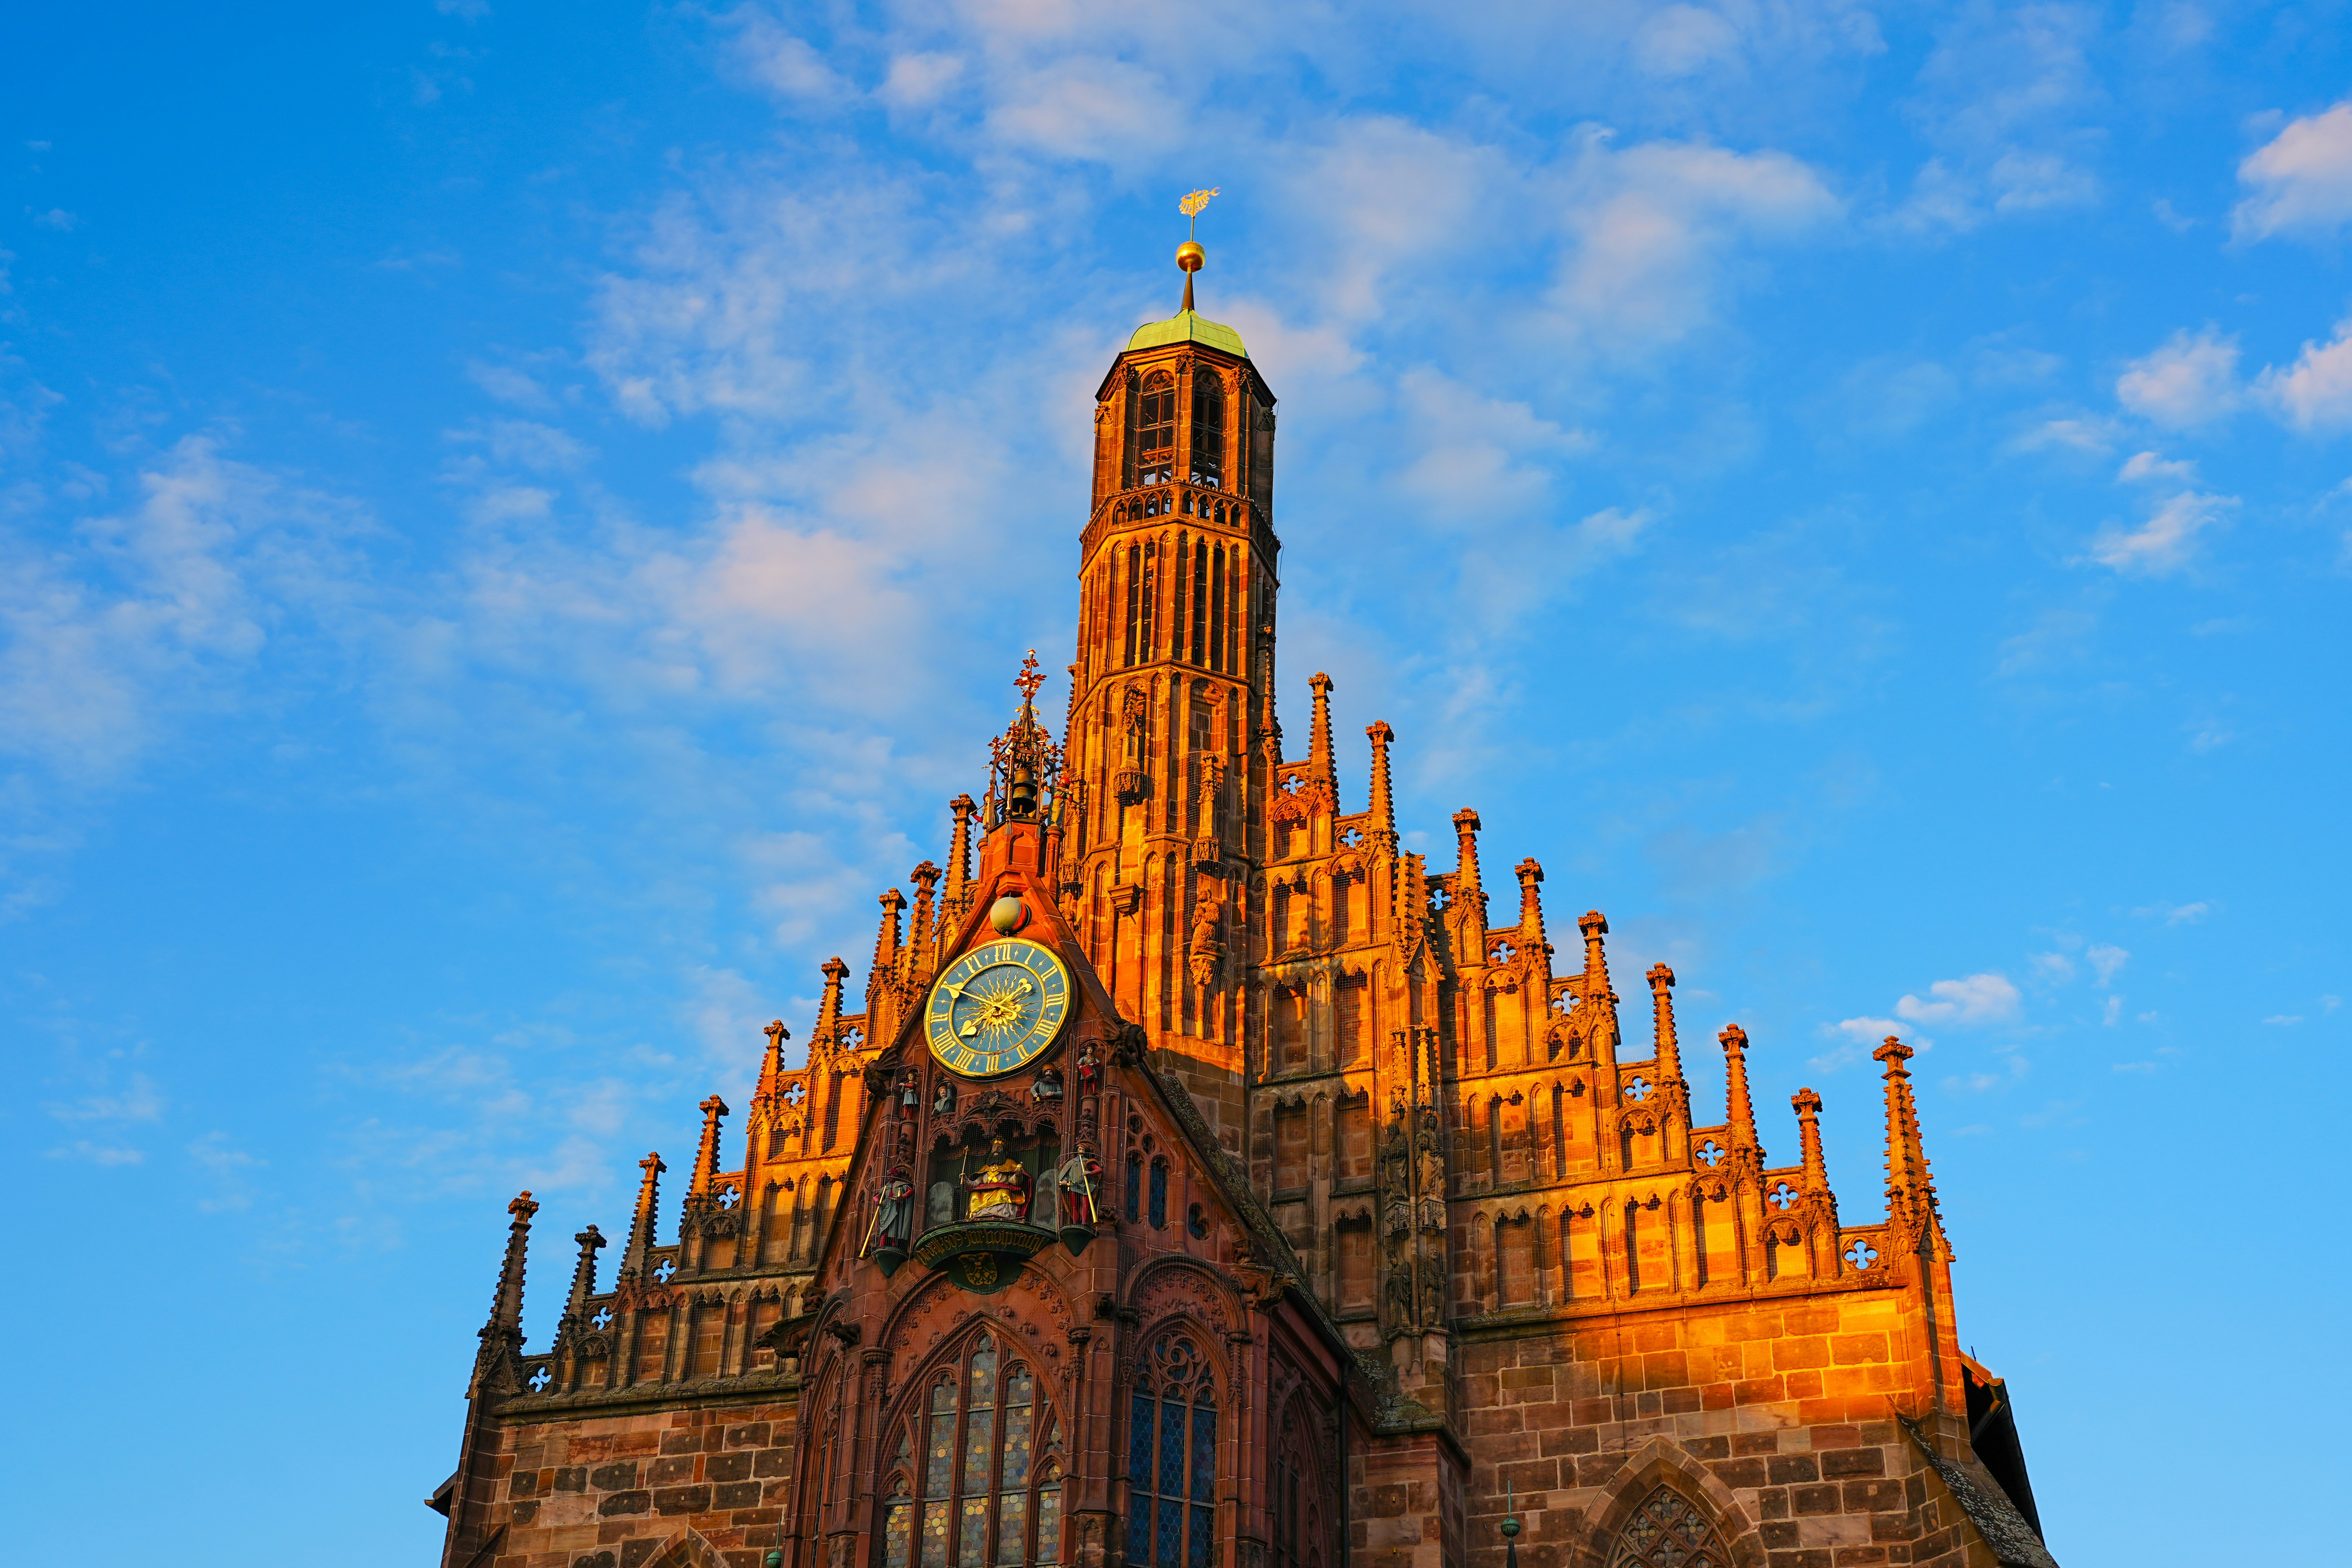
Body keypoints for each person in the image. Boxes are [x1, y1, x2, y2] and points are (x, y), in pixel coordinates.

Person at [962, 1139, 1031, 1223]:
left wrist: (1018, 1175)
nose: (996, 1149)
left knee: (1003, 1193)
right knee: (975, 1195)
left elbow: (1014, 1181)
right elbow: (975, 1183)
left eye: (1000, 1148)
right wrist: (966, 1180)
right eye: (994, 1147)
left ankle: (1001, 1215)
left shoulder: (1009, 1164)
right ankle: (978, 1215)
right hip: (985, 1193)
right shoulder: (986, 1168)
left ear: (1004, 1151)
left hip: (1001, 1190)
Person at [1055, 1143, 1102, 1226]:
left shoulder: (1088, 1162)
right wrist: (1064, 1180)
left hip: (1086, 1187)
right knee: (1075, 1206)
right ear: (1077, 1151)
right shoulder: (1072, 1162)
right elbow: (1065, 1175)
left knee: (1085, 1206)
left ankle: (1084, 1222)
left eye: (1083, 1150)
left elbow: (1100, 1170)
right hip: (1074, 1186)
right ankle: (1075, 1223)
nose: (1081, 1152)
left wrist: (1090, 1172)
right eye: (1080, 1149)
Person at [869, 1165, 914, 1252]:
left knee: (894, 1227)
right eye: (888, 1176)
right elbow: (876, 1197)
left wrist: (903, 1197)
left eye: (891, 1175)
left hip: (895, 1208)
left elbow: (911, 1191)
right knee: (884, 1228)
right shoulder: (885, 1188)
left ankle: (894, 1245)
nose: (889, 1177)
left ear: (896, 1175)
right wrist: (877, 1201)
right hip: (886, 1209)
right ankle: (882, 1245)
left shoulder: (901, 1185)